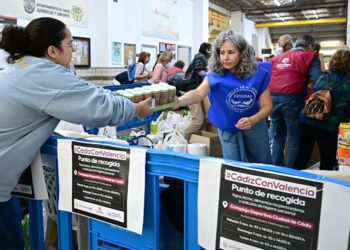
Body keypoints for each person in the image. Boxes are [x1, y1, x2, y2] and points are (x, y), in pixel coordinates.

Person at [0, 17, 152, 249]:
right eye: (71, 45)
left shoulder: (20, 65)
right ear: (52, 50)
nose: (73, 52)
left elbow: (86, 91)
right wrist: (136, 109)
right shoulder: (43, 75)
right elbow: (97, 107)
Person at [175, 30, 272, 163]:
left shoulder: (258, 74)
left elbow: (267, 106)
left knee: (262, 163)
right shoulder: (214, 76)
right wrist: (177, 101)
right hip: (226, 125)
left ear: (242, 54)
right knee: (233, 165)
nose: (225, 57)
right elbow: (198, 93)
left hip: (254, 124)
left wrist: (253, 120)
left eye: (231, 52)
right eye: (222, 53)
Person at [269, 34, 322, 168]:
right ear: (310, 46)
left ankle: (276, 169)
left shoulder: (277, 58)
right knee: (293, 138)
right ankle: (289, 173)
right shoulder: (310, 56)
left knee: (277, 136)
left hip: (272, 97)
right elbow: (318, 82)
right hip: (292, 99)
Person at [294, 49, 350, 170]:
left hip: (307, 119)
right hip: (328, 126)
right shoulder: (348, 83)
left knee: (302, 156)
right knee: (327, 161)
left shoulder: (322, 78)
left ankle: (294, 183)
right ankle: (323, 186)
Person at [179, 42, 212, 138]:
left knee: (204, 120)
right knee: (198, 121)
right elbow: (200, 71)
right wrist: (213, 77)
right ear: (207, 49)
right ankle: (181, 138)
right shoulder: (200, 57)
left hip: (198, 90)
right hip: (192, 90)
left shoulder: (204, 58)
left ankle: (199, 140)